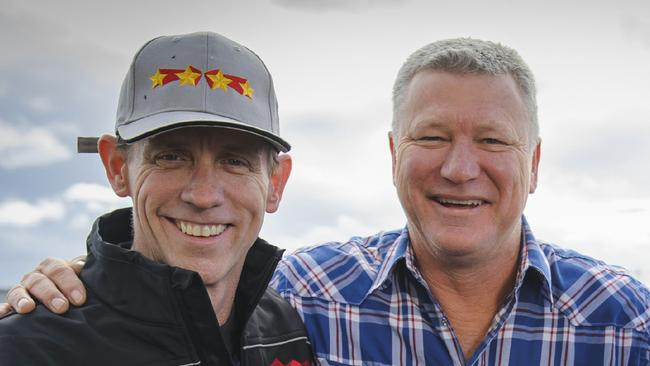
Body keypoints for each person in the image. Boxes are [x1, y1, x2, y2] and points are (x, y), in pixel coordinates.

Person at [4, 38, 650, 365]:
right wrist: (76, 284)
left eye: (491, 140)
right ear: (394, 153)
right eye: (431, 137)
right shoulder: (300, 295)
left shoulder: (627, 323)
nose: (459, 168)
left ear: (533, 163)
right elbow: (168, 298)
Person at [0, 31, 313, 366]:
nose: (204, 196)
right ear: (118, 168)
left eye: (235, 161)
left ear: (275, 183)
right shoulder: (27, 349)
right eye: (172, 157)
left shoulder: (289, 327)